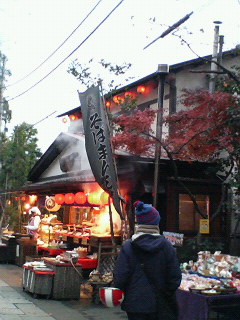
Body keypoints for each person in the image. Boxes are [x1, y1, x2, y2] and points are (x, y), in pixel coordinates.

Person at [113, 200, 182, 320]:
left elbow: (120, 278)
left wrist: (127, 293)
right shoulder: (167, 246)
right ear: (156, 223)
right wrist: (166, 293)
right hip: (159, 303)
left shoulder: (128, 246)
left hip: (134, 304)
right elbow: (175, 277)